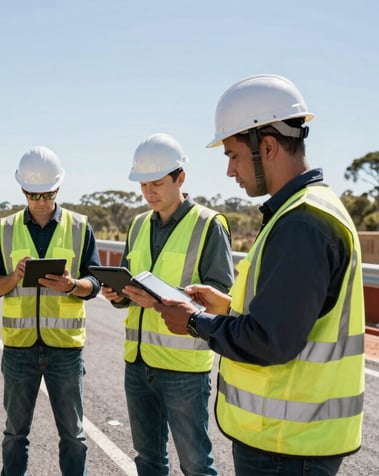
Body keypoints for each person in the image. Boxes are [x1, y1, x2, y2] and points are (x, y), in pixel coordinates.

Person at [154, 74, 365, 476]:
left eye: (233, 155)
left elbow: (271, 340)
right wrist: (227, 308)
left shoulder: (302, 223)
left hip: (287, 446)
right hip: (290, 442)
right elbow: (290, 316)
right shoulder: (304, 211)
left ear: (267, 147)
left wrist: (196, 322)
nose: (230, 171)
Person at [100, 133, 234, 475]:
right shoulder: (137, 225)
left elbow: (220, 298)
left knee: (196, 464)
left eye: (157, 183)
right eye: (143, 185)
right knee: (147, 460)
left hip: (184, 369)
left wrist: (162, 300)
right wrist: (119, 296)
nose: (149, 192)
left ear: (180, 178)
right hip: (138, 363)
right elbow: (131, 283)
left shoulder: (208, 224)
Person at [0, 146, 102, 476]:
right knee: (15, 434)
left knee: (74, 436)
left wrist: (71, 285)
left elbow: (96, 283)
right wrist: (14, 277)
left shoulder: (80, 227)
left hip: (65, 349)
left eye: (47, 194)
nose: (40, 201)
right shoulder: (6, 229)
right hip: (19, 348)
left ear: (58, 187)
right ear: (22, 189)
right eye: (33, 194)